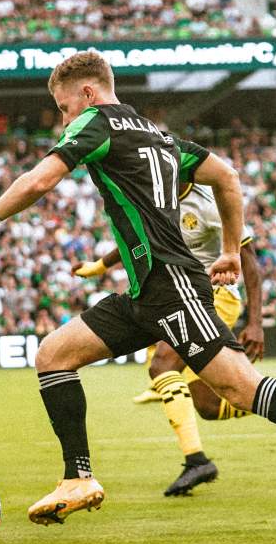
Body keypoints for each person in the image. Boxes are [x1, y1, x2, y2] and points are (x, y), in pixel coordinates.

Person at [0, 51, 276, 525]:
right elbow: (227, 176)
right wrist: (227, 248)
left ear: (88, 93)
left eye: (63, 109)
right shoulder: (158, 136)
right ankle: (78, 477)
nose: (63, 120)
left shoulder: (96, 123)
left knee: (240, 388)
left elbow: (42, 180)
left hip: (174, 285)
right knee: (53, 355)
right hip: (146, 292)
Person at [73, 184, 264, 495]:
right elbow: (137, 238)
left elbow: (251, 265)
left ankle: (197, 461)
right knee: (207, 404)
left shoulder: (212, 204)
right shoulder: (155, 196)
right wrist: (98, 267)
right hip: (179, 297)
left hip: (214, 295)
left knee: (162, 366)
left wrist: (255, 323)